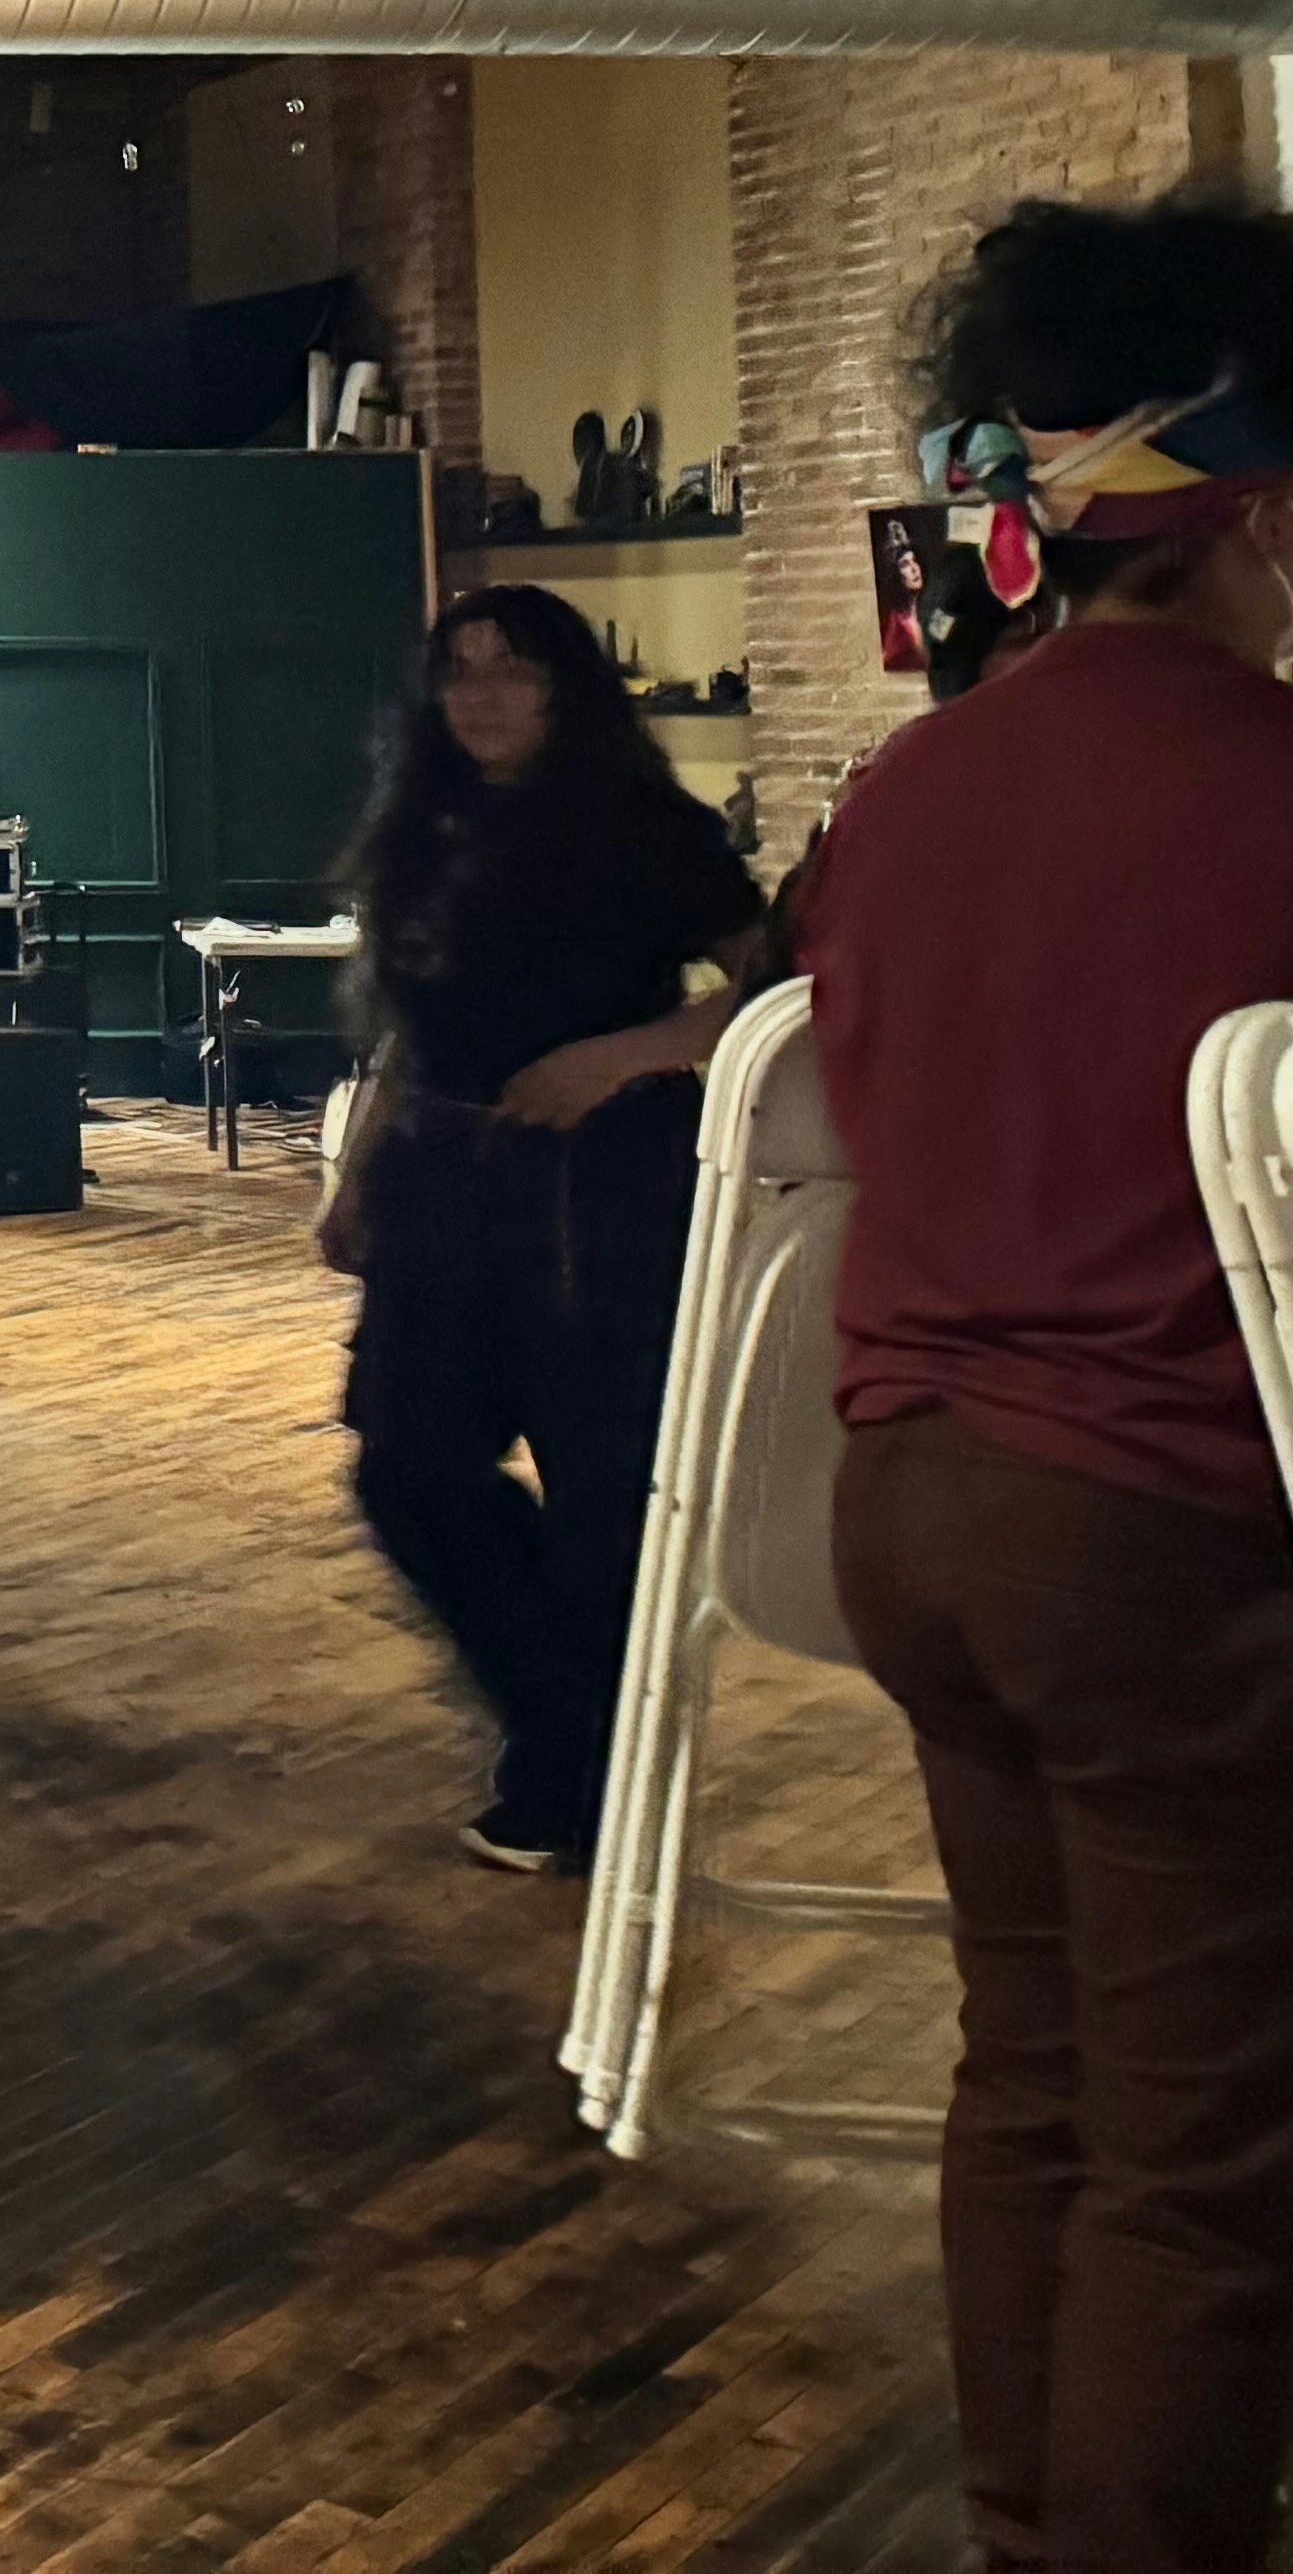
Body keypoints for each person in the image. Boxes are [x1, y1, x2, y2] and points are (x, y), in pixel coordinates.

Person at [792, 193, 1293, 2568]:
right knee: (1212, 2163)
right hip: (1163, 1528)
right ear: (1272, 503)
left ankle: (1031, 2523)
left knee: (1036, 2070)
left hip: (914, 1505)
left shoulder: (908, 789)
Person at [320, 577, 768, 1874]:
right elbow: (416, 1026)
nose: (484, 695)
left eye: (513, 668)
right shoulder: (423, 824)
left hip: (594, 1193)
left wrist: (629, 1054)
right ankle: (572, 1716)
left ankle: (574, 1770)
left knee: (602, 1499)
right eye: (460, 671)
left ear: (565, 686)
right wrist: (357, 1168)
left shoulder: (642, 825)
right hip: (439, 1184)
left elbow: (772, 983)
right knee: (405, 1467)